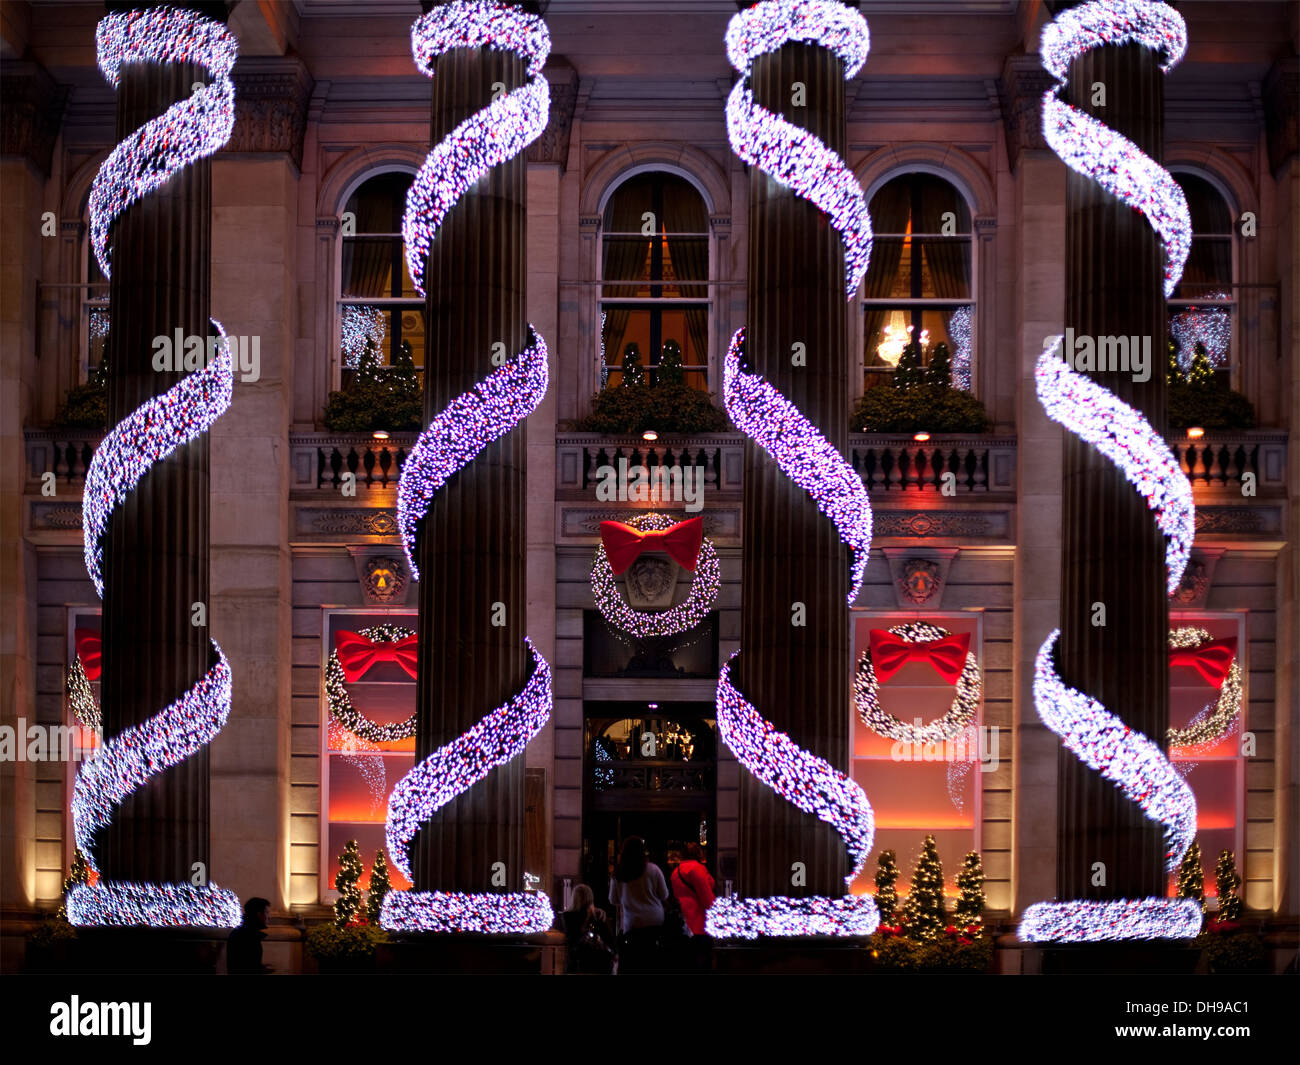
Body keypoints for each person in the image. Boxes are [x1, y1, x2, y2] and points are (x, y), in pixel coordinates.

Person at [608, 836, 668, 974]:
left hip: (632, 924)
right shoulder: (654, 870)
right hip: (655, 923)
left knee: (633, 962)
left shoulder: (618, 873)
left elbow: (612, 900)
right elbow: (664, 894)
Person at [671, 842, 716, 971]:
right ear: (698, 853)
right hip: (699, 922)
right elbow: (706, 897)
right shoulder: (696, 869)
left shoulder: (676, 871)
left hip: (684, 922)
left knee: (687, 962)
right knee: (701, 962)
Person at [556, 883, 615, 975]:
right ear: (590, 897)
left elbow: (570, 939)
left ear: (574, 897)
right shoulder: (598, 915)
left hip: (577, 962)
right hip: (599, 962)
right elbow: (608, 938)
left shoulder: (567, 916)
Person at [227, 896, 272, 974]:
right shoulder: (249, 936)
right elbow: (244, 966)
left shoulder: (242, 932)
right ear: (259, 914)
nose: (269, 917)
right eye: (267, 913)